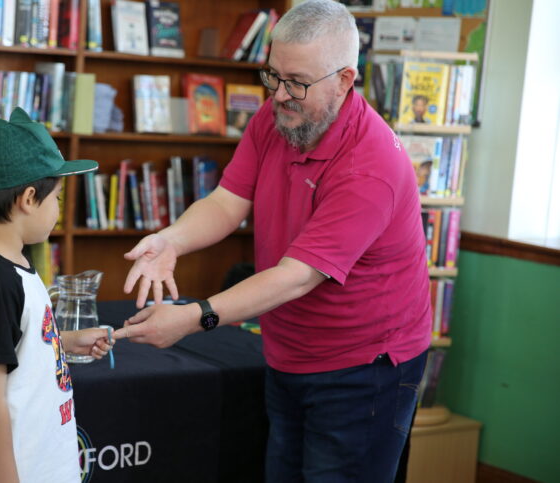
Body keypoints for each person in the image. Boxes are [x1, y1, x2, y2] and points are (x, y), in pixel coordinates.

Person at [113, 1, 431, 481]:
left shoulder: (371, 167)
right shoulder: (277, 117)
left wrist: (195, 317)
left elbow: (296, 278)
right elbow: (225, 202)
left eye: (297, 82)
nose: (281, 94)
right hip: (289, 351)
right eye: (273, 75)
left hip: (365, 365)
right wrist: (171, 240)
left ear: (345, 80)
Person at [0, 108, 114, 483]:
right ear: (29, 198)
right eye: (57, 200)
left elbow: (10, 345)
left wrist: (64, 342)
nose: (58, 211)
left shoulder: (10, 265)